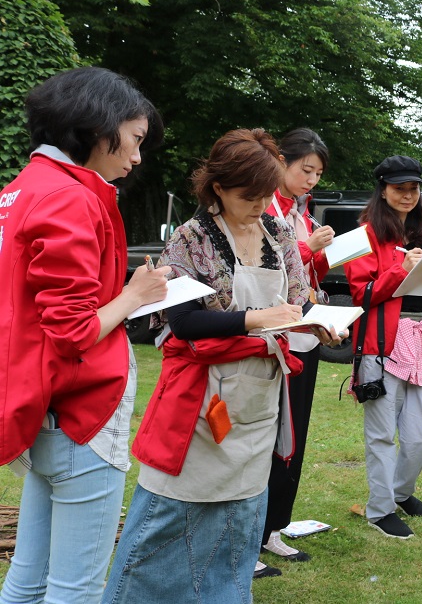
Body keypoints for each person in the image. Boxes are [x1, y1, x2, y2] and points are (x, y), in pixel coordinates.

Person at [102, 129, 343, 601]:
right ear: (217, 188)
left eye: (264, 195)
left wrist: (317, 324)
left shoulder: (277, 235)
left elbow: (297, 302)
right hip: (202, 397)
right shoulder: (191, 239)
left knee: (239, 524)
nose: (258, 205)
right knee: (169, 518)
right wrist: (256, 318)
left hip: (258, 398)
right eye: (247, 195)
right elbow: (184, 322)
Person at [0, 67, 169, 604]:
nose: (137, 157)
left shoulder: (19, 190)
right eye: (135, 139)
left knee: (26, 581)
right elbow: (73, 331)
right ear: (98, 126)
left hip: (40, 405)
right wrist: (135, 295)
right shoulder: (70, 197)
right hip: (81, 413)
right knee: (76, 590)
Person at [344, 154, 422, 540]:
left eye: (414, 188)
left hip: (419, 338)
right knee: (382, 434)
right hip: (379, 346)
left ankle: (402, 493)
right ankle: (380, 508)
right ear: (383, 189)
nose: (408, 195)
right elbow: (362, 294)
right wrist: (400, 269)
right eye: (400, 188)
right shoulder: (364, 234)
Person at [258, 128, 335, 569]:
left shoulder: (299, 212)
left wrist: (321, 252)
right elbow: (268, 266)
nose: (311, 180)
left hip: (305, 334)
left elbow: (303, 271)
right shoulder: (262, 206)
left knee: (295, 435)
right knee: (268, 436)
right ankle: (253, 530)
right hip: (274, 337)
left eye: (318, 174)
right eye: (305, 169)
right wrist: (308, 246)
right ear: (280, 161)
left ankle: (273, 527)